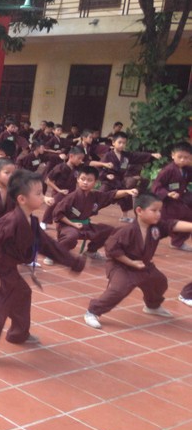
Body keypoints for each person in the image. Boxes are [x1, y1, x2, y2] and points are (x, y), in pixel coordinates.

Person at [0, 170, 86, 369]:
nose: (43, 197)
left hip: (10, 271)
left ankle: (19, 334)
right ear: (21, 199)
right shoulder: (8, 222)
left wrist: (72, 261)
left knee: (22, 295)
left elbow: (48, 246)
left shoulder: (32, 222)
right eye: (38, 193)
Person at [83, 193, 192, 329]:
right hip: (121, 266)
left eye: (160, 211)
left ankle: (152, 306)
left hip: (143, 265)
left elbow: (173, 225)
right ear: (139, 211)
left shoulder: (156, 227)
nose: (158, 214)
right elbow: (111, 250)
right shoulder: (126, 230)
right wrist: (131, 262)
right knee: (119, 289)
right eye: (154, 210)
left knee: (159, 282)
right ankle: (92, 312)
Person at [52, 165, 138, 258]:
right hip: (68, 226)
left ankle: (91, 251)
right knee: (71, 236)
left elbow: (111, 195)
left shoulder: (95, 195)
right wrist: (73, 224)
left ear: (95, 182)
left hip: (85, 226)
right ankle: (53, 254)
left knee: (108, 230)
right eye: (83, 179)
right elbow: (58, 214)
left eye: (89, 180)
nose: (85, 182)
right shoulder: (71, 197)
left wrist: (128, 191)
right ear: (78, 179)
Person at [99, 132, 160, 222]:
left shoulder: (126, 155)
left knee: (126, 196)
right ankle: (88, 212)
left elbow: (138, 155)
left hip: (119, 181)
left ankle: (125, 216)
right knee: (100, 197)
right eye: (119, 142)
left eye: (124, 143)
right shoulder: (108, 156)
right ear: (113, 143)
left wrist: (151, 155)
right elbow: (99, 168)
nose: (122, 145)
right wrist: (106, 175)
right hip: (108, 182)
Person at [151, 141, 192, 251]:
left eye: (186, 157)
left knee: (188, 216)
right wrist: (167, 193)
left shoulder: (187, 169)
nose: (183, 160)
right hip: (168, 202)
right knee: (168, 224)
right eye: (180, 157)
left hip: (180, 199)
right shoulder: (168, 170)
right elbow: (156, 186)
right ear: (173, 155)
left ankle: (177, 242)